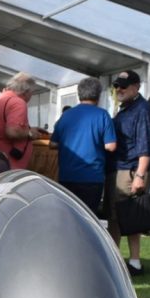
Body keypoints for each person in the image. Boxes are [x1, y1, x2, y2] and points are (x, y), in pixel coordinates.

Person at [109, 70, 150, 276]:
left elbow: (145, 144)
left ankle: (131, 262)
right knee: (122, 217)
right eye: (117, 85)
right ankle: (126, 260)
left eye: (124, 85)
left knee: (126, 217)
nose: (119, 89)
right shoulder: (126, 109)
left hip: (130, 169)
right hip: (121, 167)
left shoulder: (142, 109)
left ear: (137, 86)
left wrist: (139, 175)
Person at [52, 77, 118, 215]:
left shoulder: (66, 116)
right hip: (92, 177)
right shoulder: (102, 115)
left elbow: (53, 143)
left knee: (69, 217)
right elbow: (111, 146)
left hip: (67, 176)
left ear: (79, 94)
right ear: (98, 95)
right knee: (88, 218)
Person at [0, 72, 46, 170]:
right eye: (31, 93)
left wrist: (28, 128)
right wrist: (30, 133)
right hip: (7, 163)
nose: (31, 96)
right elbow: (12, 131)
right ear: (26, 91)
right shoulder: (18, 102)